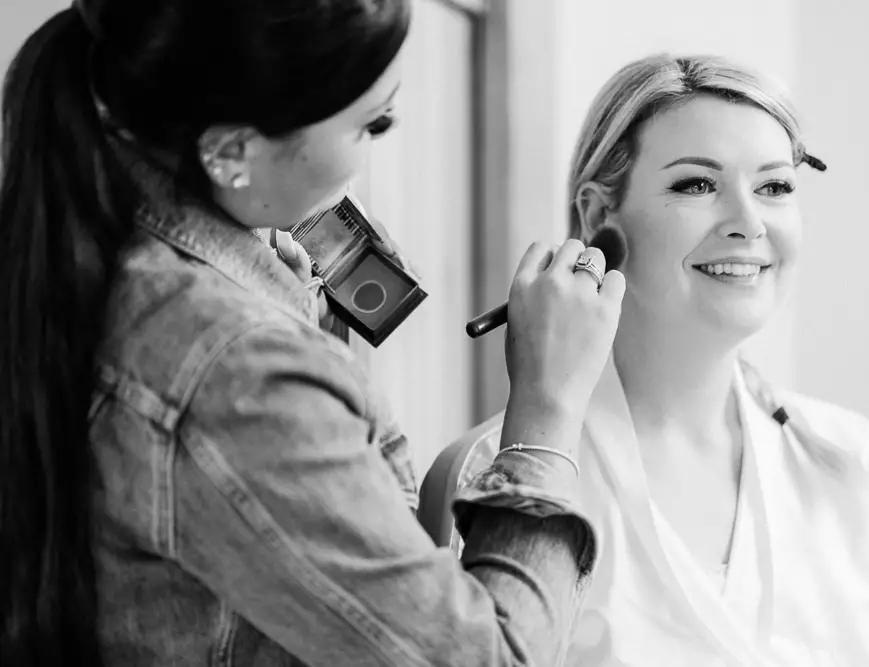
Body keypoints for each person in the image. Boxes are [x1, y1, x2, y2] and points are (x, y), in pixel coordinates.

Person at [0, 1, 627, 665]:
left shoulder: (85, 240)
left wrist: (304, 339)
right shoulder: (235, 367)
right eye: (372, 123)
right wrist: (545, 409)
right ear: (231, 150)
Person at [452, 53, 869, 666]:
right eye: (696, 184)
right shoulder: (493, 479)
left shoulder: (861, 468)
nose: (748, 223)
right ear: (598, 218)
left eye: (774, 187)